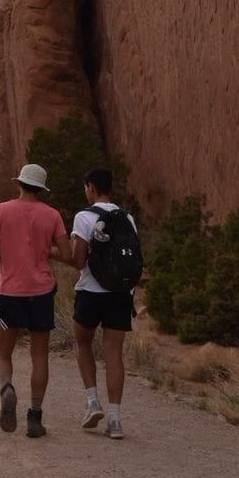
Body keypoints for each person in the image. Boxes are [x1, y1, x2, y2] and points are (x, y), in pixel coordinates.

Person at [0, 164, 71, 437]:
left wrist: (9, 256)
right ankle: (35, 418)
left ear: (20, 183)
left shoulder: (1, 210)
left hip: (10, 290)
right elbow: (66, 254)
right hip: (41, 291)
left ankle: (7, 388)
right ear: (41, 188)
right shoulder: (52, 215)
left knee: (1, 352)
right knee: (40, 356)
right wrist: (45, 251)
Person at [70, 167, 139, 440]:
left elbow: (77, 260)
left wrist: (53, 251)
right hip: (121, 293)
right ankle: (115, 419)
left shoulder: (84, 217)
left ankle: (92, 402)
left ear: (90, 187)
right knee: (114, 353)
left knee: (82, 342)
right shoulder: (128, 218)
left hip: (91, 290)